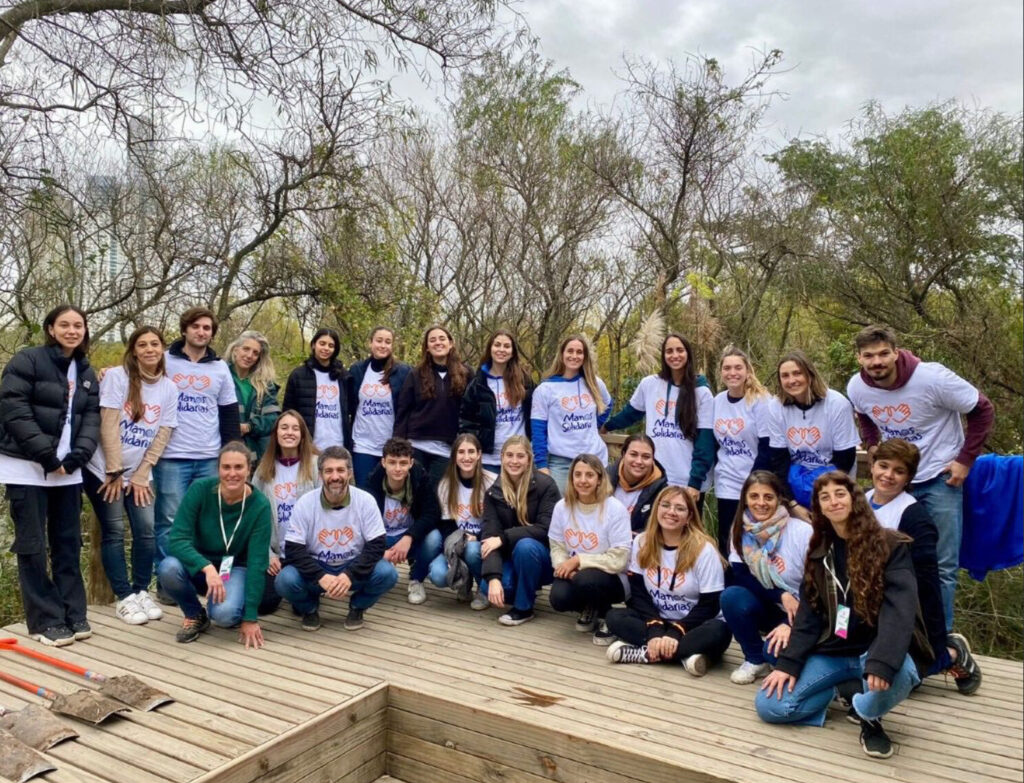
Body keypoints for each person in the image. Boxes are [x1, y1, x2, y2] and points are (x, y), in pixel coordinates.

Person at [756, 472, 934, 760]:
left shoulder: (889, 545)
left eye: (840, 493)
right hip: (835, 650)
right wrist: (788, 664)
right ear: (820, 508)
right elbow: (809, 614)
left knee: (902, 673)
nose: (833, 501)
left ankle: (867, 715)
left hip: (875, 651)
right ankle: (843, 691)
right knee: (770, 706)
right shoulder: (819, 552)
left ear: (854, 499)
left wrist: (882, 662)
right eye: (825, 497)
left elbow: (899, 609)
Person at [846, 325, 994, 631]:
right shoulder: (857, 387)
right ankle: (892, 632)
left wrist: (965, 460)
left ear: (896, 352)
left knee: (941, 565)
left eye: (883, 354)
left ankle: (939, 638)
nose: (877, 362)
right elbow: (865, 415)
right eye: (869, 356)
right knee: (884, 557)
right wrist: (872, 445)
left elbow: (982, 409)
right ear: (859, 358)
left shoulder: (931, 378)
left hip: (940, 479)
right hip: (895, 483)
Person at [0, 305, 100, 646]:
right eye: (65, 325)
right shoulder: (27, 360)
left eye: (78, 325)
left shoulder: (85, 370)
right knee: (33, 545)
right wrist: (46, 455)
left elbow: (91, 419)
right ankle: (45, 619)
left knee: (68, 542)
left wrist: (77, 457)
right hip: (26, 468)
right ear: (50, 329)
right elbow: (14, 410)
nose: (72, 331)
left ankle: (73, 612)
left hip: (68, 471)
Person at [866, 438, 981, 694]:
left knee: (898, 681)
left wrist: (933, 639)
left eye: (898, 471)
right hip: (864, 601)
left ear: (908, 478)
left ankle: (950, 655)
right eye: (883, 466)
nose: (888, 475)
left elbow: (927, 585)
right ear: (872, 465)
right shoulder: (859, 502)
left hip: (900, 606)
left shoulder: (914, 517)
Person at [83, 326, 178, 626]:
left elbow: (163, 432)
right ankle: (123, 597)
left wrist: (142, 472)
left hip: (139, 472)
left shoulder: (169, 388)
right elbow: (108, 423)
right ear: (134, 350)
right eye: (142, 345)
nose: (149, 349)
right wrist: (114, 470)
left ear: (162, 348)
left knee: (146, 530)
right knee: (114, 530)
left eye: (155, 344)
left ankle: (140, 591)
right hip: (105, 470)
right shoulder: (116, 377)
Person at [154, 307, 240, 599]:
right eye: (196, 326)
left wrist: (231, 454)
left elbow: (229, 412)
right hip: (171, 456)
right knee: (169, 522)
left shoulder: (220, 368)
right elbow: (135, 380)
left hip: (209, 457)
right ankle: (169, 585)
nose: (201, 332)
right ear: (185, 329)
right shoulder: (165, 360)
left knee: (211, 522)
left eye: (207, 328)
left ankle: (207, 580)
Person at [605, 486, 732, 675]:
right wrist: (655, 627)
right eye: (665, 505)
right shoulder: (642, 541)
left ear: (689, 517)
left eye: (680, 508)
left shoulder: (704, 550)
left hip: (695, 624)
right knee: (614, 617)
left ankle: (644, 654)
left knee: (719, 632)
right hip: (658, 619)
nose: (671, 512)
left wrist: (677, 630)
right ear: (657, 509)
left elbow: (710, 604)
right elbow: (638, 593)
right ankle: (685, 655)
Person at [158, 442, 272, 648]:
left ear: (249, 469)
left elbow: (257, 563)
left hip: (233, 566)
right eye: (226, 467)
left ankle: (231, 603)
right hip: (202, 566)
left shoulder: (260, 505)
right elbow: (177, 539)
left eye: (238, 467)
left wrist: (250, 618)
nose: (232, 474)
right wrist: (207, 567)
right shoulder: (200, 490)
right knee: (168, 568)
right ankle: (195, 614)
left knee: (225, 615)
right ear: (218, 468)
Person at [274, 446, 398, 631]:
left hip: (352, 564)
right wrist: (320, 576)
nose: (335, 476)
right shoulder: (305, 503)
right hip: (317, 566)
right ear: (320, 475)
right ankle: (310, 609)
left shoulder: (365, 500)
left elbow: (377, 545)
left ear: (350, 473)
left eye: (340, 470)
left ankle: (357, 606)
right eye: (329, 471)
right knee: (284, 580)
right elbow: (293, 549)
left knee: (387, 573)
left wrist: (350, 575)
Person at [719, 471, 813, 684]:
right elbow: (742, 576)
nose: (761, 503)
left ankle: (783, 653)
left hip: (805, 610)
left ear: (779, 499)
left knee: (775, 654)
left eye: (768, 497)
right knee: (732, 596)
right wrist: (781, 595)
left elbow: (817, 585)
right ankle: (754, 659)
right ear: (745, 499)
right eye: (754, 496)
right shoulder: (741, 530)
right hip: (772, 605)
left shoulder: (802, 532)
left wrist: (791, 623)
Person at [602, 333, 714, 498]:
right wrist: (607, 426)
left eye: (680, 350)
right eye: (669, 351)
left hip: (687, 481)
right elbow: (631, 413)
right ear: (663, 355)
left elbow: (705, 442)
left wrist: (695, 482)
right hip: (654, 477)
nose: (675, 355)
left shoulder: (702, 392)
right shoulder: (650, 384)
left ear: (688, 354)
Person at [548, 453, 631, 645]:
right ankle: (590, 607)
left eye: (590, 475)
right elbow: (557, 545)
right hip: (575, 573)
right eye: (578, 475)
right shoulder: (562, 507)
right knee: (559, 598)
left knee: (585, 580)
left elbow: (619, 559)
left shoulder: (615, 509)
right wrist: (563, 567)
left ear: (600, 479)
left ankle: (609, 617)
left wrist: (579, 560)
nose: (583, 480)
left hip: (613, 577)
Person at [766, 350, 860, 519]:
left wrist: (824, 499)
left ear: (810, 374)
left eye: (797, 373)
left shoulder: (836, 404)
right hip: (796, 487)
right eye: (785, 376)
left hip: (835, 487)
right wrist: (792, 503)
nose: (792, 380)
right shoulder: (776, 407)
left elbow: (845, 459)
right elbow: (779, 461)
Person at [480, 436, 560, 626]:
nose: (514, 461)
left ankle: (524, 608)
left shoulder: (546, 485)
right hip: (511, 556)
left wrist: (503, 538)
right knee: (488, 586)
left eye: (520, 456)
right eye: (509, 455)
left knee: (526, 546)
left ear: (529, 459)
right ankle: (524, 587)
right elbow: (490, 537)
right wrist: (493, 578)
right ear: (502, 457)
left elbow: (545, 529)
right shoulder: (493, 492)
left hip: (544, 557)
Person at [252, 410, 320, 612]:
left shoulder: (316, 465)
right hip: (276, 552)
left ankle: (303, 590)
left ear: (302, 434)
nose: (289, 432)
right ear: (275, 434)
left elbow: (327, 513)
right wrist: (267, 554)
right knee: (264, 605)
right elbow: (252, 517)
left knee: (302, 608)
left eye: (295, 428)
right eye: (284, 428)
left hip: (306, 552)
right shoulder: (263, 469)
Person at [365, 437, 442, 605]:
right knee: (365, 546)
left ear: (411, 463)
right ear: (383, 462)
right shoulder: (373, 482)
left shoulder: (420, 478)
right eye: (392, 462)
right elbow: (364, 523)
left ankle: (416, 579)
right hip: (382, 537)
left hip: (409, 536)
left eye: (403, 463)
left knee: (434, 537)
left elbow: (431, 513)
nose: (398, 468)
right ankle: (376, 577)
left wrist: (409, 537)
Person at [711, 346, 773, 555]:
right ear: (721, 372)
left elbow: (766, 446)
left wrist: (754, 482)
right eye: (727, 368)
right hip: (726, 481)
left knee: (753, 539)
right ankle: (728, 575)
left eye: (738, 368)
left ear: (747, 371)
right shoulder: (718, 401)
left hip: (753, 481)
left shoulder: (761, 400)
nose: (732, 373)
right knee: (727, 539)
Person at [530, 335, 612, 492]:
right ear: (561, 354)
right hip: (561, 463)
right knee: (559, 505)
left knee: (595, 505)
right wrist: (541, 465)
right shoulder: (545, 389)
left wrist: (595, 425)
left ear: (585, 356)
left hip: (595, 458)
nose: (574, 356)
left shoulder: (594, 383)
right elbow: (538, 430)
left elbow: (607, 405)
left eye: (579, 352)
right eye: (570, 351)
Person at [394, 325, 471, 487]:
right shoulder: (415, 374)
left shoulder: (466, 373)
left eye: (442, 339)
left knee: (437, 495)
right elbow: (403, 411)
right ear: (427, 347)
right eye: (432, 340)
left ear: (451, 343)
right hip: (416, 445)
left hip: (446, 448)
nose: (438, 343)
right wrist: (398, 446)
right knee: (415, 494)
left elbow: (472, 411)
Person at [426, 434, 497, 607]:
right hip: (456, 540)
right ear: (454, 456)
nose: (466, 457)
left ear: (479, 454)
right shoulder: (446, 483)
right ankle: (465, 582)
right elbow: (445, 523)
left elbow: (496, 521)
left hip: (482, 542)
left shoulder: (492, 481)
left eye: (471, 452)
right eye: (461, 452)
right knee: (438, 574)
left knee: (472, 550)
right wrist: (459, 540)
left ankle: (483, 589)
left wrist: (476, 536)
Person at [459, 330, 535, 474]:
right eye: (497, 345)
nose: (501, 349)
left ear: (513, 352)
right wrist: (476, 446)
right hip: (489, 459)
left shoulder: (524, 380)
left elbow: (535, 413)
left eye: (506, 346)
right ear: (490, 348)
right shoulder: (478, 383)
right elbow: (467, 421)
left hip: (519, 456)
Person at [346, 326, 411, 489]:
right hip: (363, 445)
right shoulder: (357, 370)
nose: (383, 345)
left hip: (391, 446)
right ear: (370, 343)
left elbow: (407, 408)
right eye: (379, 341)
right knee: (365, 492)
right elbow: (349, 404)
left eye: (387, 342)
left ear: (392, 346)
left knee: (389, 494)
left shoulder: (403, 372)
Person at [282, 327, 349, 454]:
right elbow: (287, 412)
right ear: (313, 345)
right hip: (308, 446)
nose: (326, 348)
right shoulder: (298, 375)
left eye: (331, 345)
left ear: (335, 349)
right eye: (322, 343)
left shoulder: (344, 376)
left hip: (338, 445)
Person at [225, 331, 280, 463]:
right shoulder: (221, 375)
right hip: (224, 450)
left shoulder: (265, 384)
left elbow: (273, 419)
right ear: (235, 350)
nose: (249, 355)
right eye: (246, 349)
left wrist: (249, 427)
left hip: (257, 453)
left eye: (255, 353)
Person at [606, 434, 667, 535]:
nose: (639, 461)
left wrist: (637, 536)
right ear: (623, 454)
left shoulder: (661, 490)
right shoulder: (604, 479)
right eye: (633, 454)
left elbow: (658, 527)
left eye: (646, 457)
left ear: (653, 459)